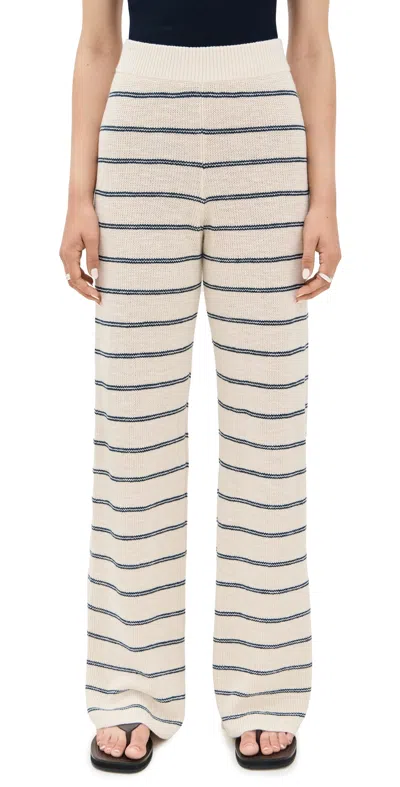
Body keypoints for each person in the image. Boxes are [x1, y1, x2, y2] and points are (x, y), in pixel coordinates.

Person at [60, 0, 341, 772]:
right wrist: (79, 194)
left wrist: (324, 196)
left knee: (270, 432)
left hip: (266, 138)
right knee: (134, 431)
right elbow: (97, 41)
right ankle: (129, 685)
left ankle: (266, 685)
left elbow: (312, 44)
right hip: (140, 134)